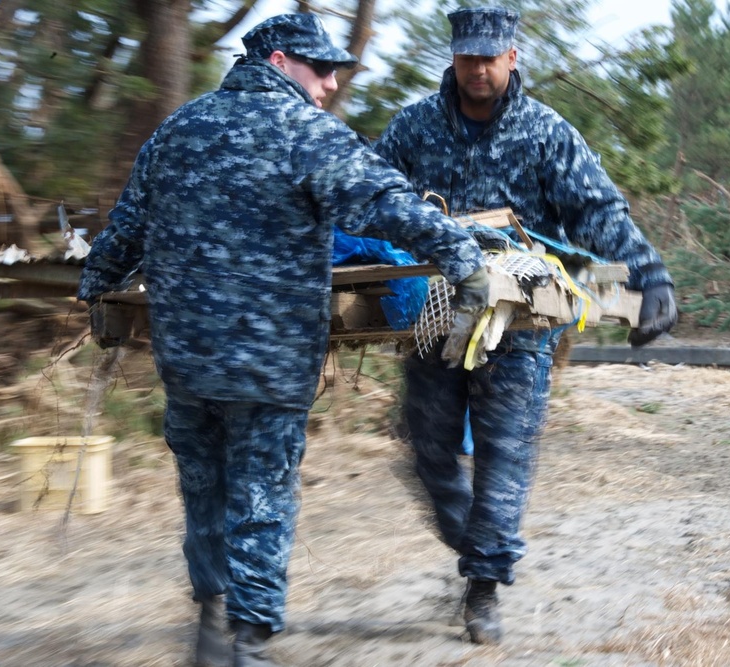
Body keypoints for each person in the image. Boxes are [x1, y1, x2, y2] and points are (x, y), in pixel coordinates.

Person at [77, 13, 491, 667]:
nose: (329, 83)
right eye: (320, 68)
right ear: (277, 61)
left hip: (186, 358)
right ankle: (248, 637)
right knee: (262, 492)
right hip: (270, 362)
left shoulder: (176, 130)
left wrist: (93, 288)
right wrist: (464, 258)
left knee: (204, 486)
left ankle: (212, 621)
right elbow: (388, 200)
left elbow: (123, 232)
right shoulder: (304, 131)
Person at [374, 6, 679, 645]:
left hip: (521, 322)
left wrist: (649, 276)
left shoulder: (546, 133)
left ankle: (483, 584)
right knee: (428, 449)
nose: (477, 70)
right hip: (432, 317)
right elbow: (368, 198)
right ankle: (475, 540)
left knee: (504, 455)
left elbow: (597, 209)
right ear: (452, 58)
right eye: (467, 58)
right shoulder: (412, 128)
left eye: (490, 58)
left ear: (512, 57)